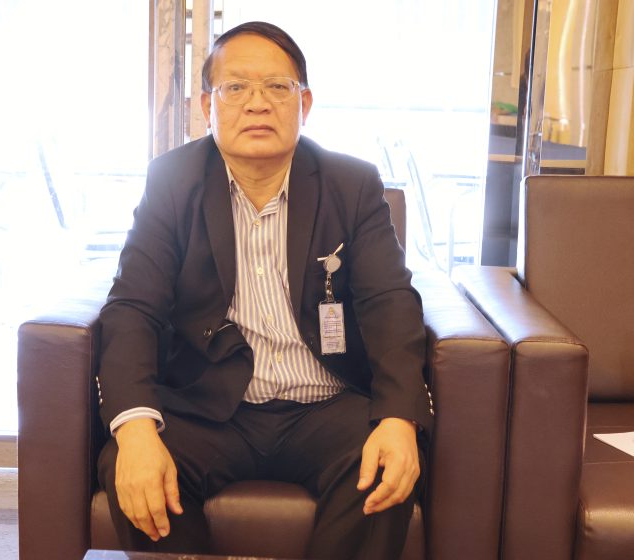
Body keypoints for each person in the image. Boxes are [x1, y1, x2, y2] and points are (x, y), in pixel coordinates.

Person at [97, 21, 433, 560]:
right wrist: (135, 429)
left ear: (304, 103)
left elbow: (389, 301)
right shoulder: (172, 181)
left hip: (326, 404)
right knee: (130, 464)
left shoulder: (351, 185)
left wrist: (398, 418)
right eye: (235, 88)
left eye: (277, 87)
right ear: (207, 107)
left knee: (382, 466)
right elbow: (134, 307)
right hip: (211, 407)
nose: (257, 103)